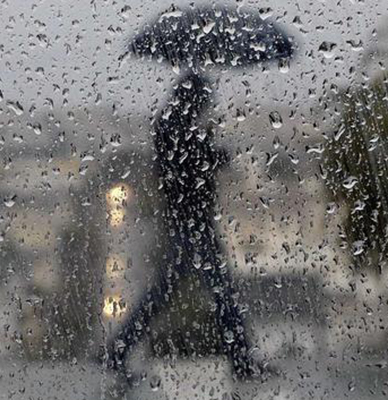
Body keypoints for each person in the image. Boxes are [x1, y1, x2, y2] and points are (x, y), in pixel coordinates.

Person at [102, 73, 269, 382]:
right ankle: (241, 361)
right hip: (191, 222)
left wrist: (206, 143)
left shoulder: (171, 125)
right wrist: (213, 150)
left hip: (187, 220)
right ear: (194, 99)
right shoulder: (176, 128)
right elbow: (188, 167)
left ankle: (118, 351)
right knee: (220, 293)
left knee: (168, 294)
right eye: (204, 101)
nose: (207, 107)